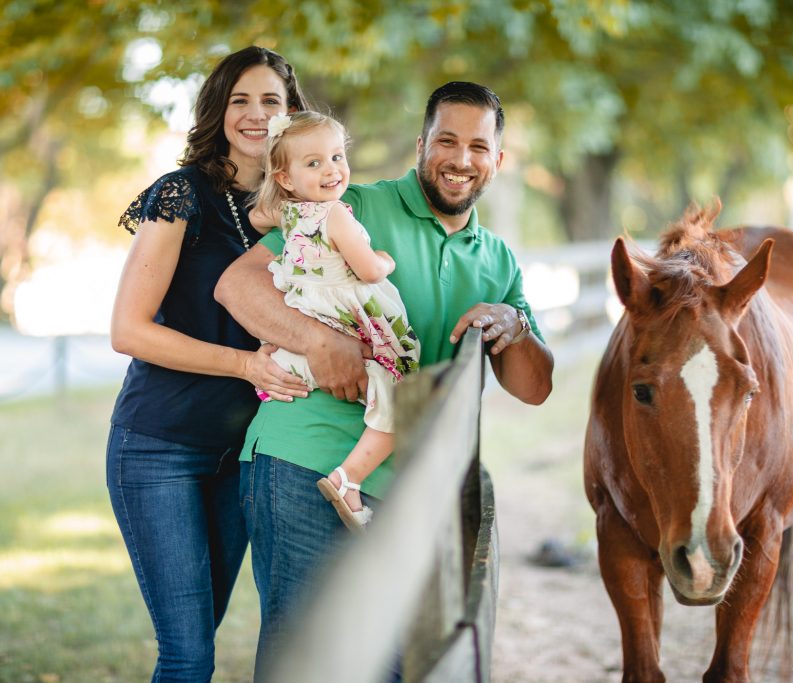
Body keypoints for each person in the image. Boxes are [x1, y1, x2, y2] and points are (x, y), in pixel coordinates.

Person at [214, 81, 554, 668]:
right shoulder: (354, 205)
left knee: (398, 667)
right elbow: (237, 285)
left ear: (497, 160)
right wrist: (323, 343)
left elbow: (534, 388)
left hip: (417, 492)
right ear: (421, 145)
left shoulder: (497, 259)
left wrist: (514, 324)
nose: (460, 159)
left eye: (478, 146)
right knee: (309, 662)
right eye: (446, 141)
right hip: (304, 462)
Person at [106, 46, 310, 682]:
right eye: (239, 100)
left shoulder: (305, 211)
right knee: (188, 655)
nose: (254, 115)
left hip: (242, 457)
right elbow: (127, 330)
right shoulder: (180, 196)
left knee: (202, 635)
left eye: (270, 101)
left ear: (291, 115)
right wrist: (247, 366)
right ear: (217, 110)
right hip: (159, 447)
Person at [248, 110, 421, 531]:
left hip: (314, 310)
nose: (332, 170)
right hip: (348, 313)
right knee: (403, 391)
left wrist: (283, 195)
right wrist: (384, 259)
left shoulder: (289, 213)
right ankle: (350, 479)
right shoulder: (336, 214)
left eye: (338, 157)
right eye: (314, 163)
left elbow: (256, 217)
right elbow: (367, 270)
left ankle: (289, 365)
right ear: (286, 176)